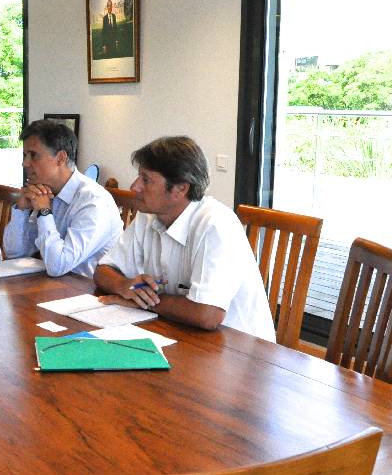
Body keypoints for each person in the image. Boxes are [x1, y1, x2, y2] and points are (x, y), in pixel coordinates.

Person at [93, 136, 276, 341]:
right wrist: (124, 286)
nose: (135, 186)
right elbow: (102, 270)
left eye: (146, 179)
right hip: (180, 332)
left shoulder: (215, 225)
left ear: (181, 188)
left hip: (241, 351)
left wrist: (145, 301)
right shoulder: (149, 215)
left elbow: (207, 315)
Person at [3, 119, 122, 278]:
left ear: (60, 158)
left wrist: (44, 211)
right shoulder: (44, 192)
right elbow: (15, 253)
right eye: (25, 155)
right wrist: (22, 209)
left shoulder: (93, 201)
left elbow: (58, 266)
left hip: (88, 293)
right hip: (54, 287)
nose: (25, 163)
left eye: (33, 155)